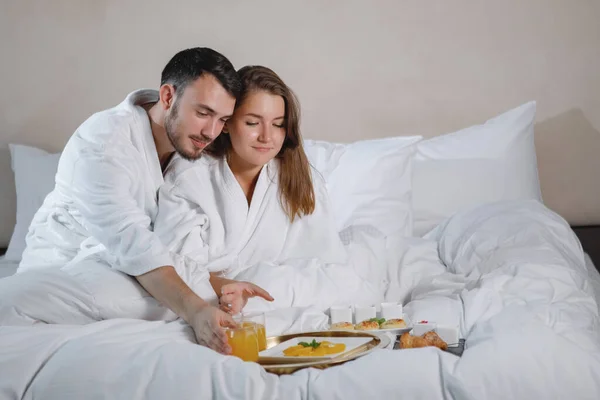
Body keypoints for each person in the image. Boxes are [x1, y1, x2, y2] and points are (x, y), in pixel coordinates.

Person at [0, 47, 272, 355]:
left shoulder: (189, 153)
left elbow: (166, 249)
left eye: (222, 119)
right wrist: (196, 310)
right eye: (203, 113)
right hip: (69, 272)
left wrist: (218, 285)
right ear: (168, 96)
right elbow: (134, 243)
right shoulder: (103, 140)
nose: (211, 131)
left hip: (130, 274)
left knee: (179, 297)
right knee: (167, 300)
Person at [154, 65, 384, 315]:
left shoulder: (296, 176)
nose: (267, 137)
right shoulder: (189, 179)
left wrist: (260, 284)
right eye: (253, 122)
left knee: (349, 286)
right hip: (210, 294)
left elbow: (328, 265)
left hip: (272, 291)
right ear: (227, 123)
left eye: (278, 124)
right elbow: (174, 270)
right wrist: (229, 287)